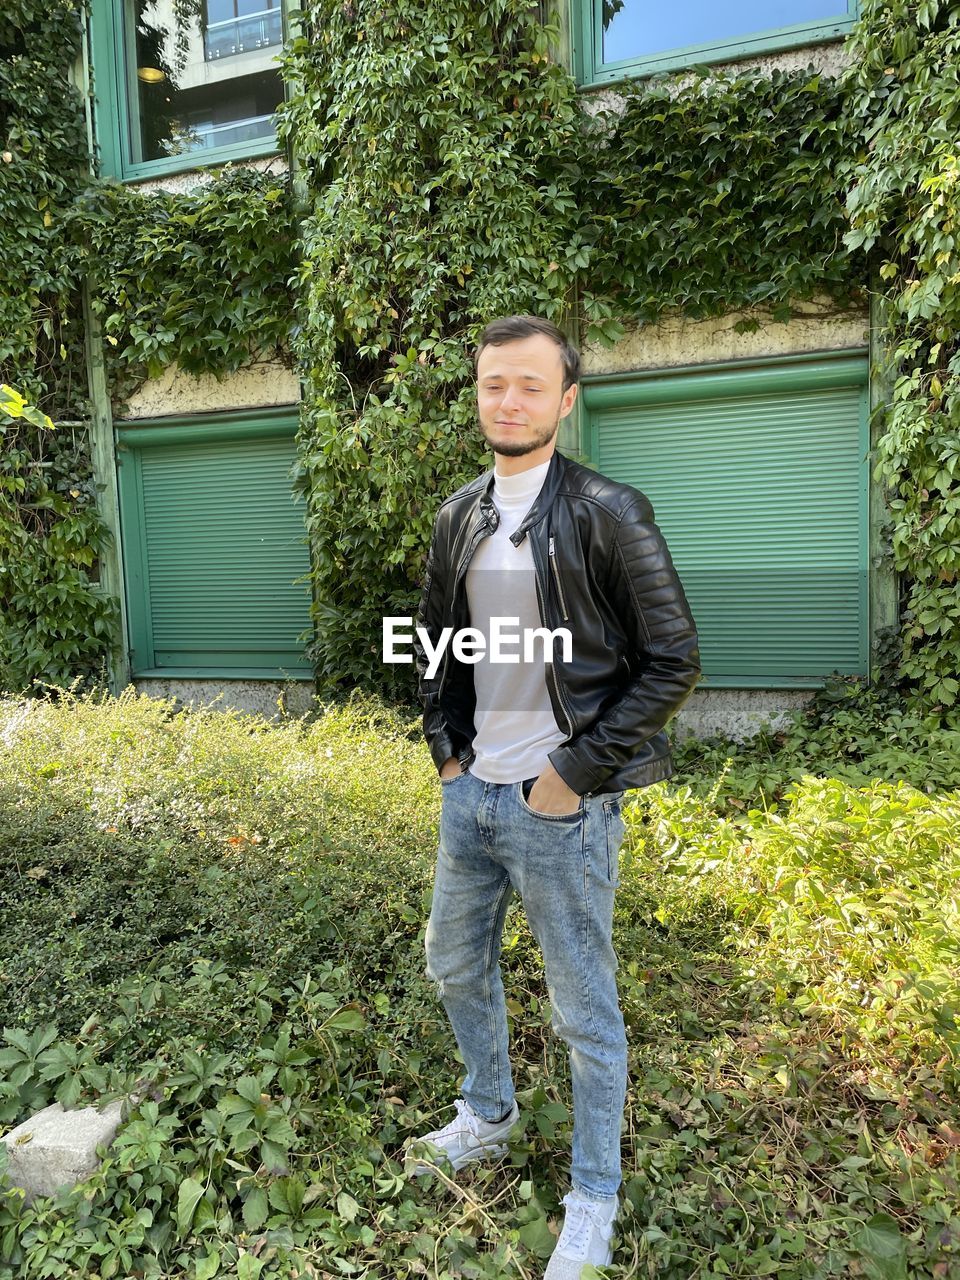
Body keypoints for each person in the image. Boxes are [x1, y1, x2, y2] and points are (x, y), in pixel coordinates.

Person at [408, 315, 700, 1278]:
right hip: (472, 798)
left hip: (559, 810)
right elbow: (431, 643)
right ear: (478, 394)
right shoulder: (459, 516)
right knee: (453, 964)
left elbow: (673, 660)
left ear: (566, 400)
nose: (511, 401)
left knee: (585, 1015)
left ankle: (593, 1195)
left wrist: (570, 776)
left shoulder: (610, 511)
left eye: (531, 385)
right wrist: (448, 751)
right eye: (495, 385)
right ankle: (488, 1110)